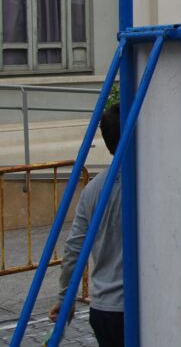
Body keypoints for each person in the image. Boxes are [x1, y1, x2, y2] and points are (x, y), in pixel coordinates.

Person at [49, 104, 124, 346]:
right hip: (136, 308)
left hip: (103, 308)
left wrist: (64, 300)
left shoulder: (92, 189)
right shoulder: (148, 185)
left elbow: (73, 250)